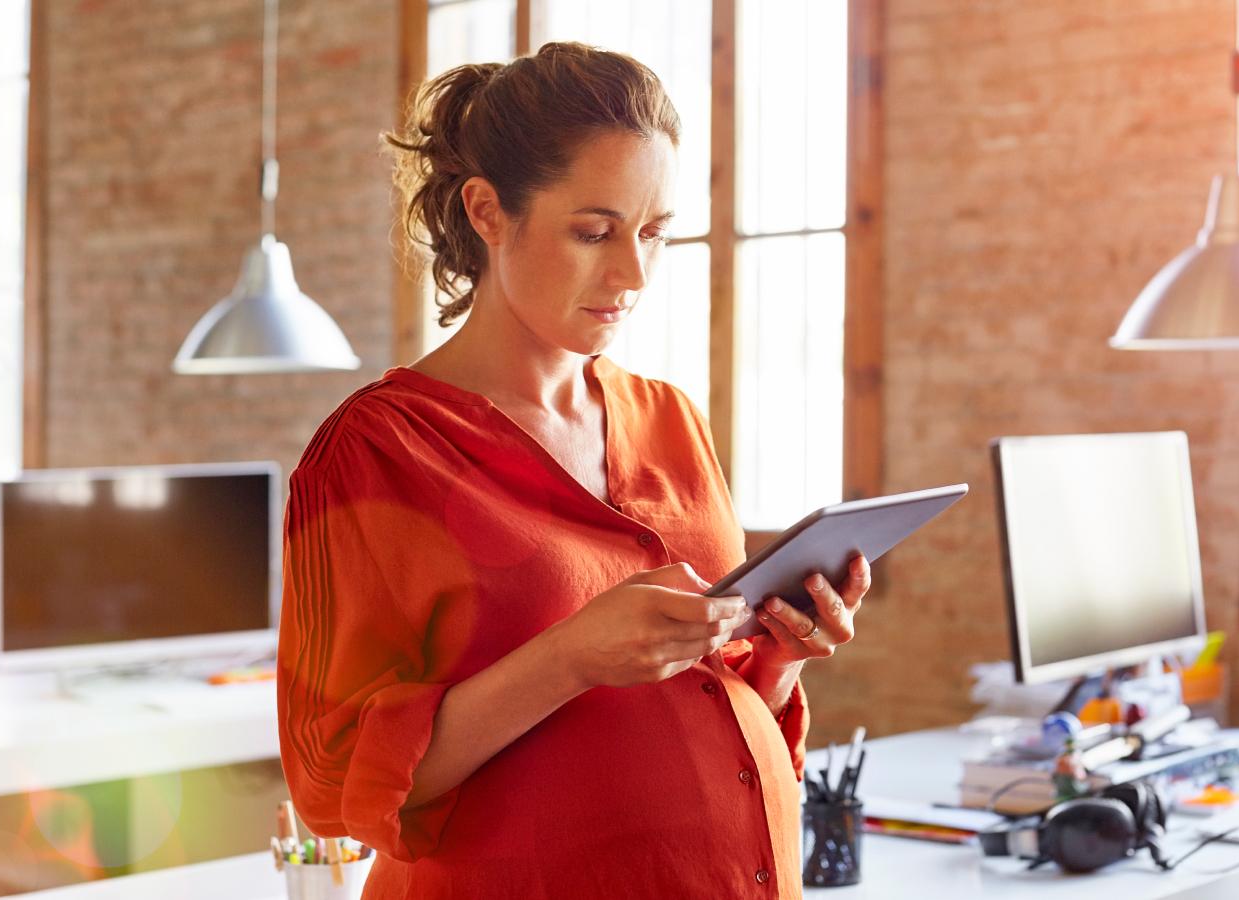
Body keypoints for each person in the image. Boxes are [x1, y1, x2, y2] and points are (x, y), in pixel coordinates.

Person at [277, 42, 871, 899]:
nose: (633, 274)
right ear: (487, 211)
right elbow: (330, 781)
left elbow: (713, 694)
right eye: (594, 232)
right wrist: (569, 659)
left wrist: (780, 656)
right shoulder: (377, 450)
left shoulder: (670, 417)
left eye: (654, 233)